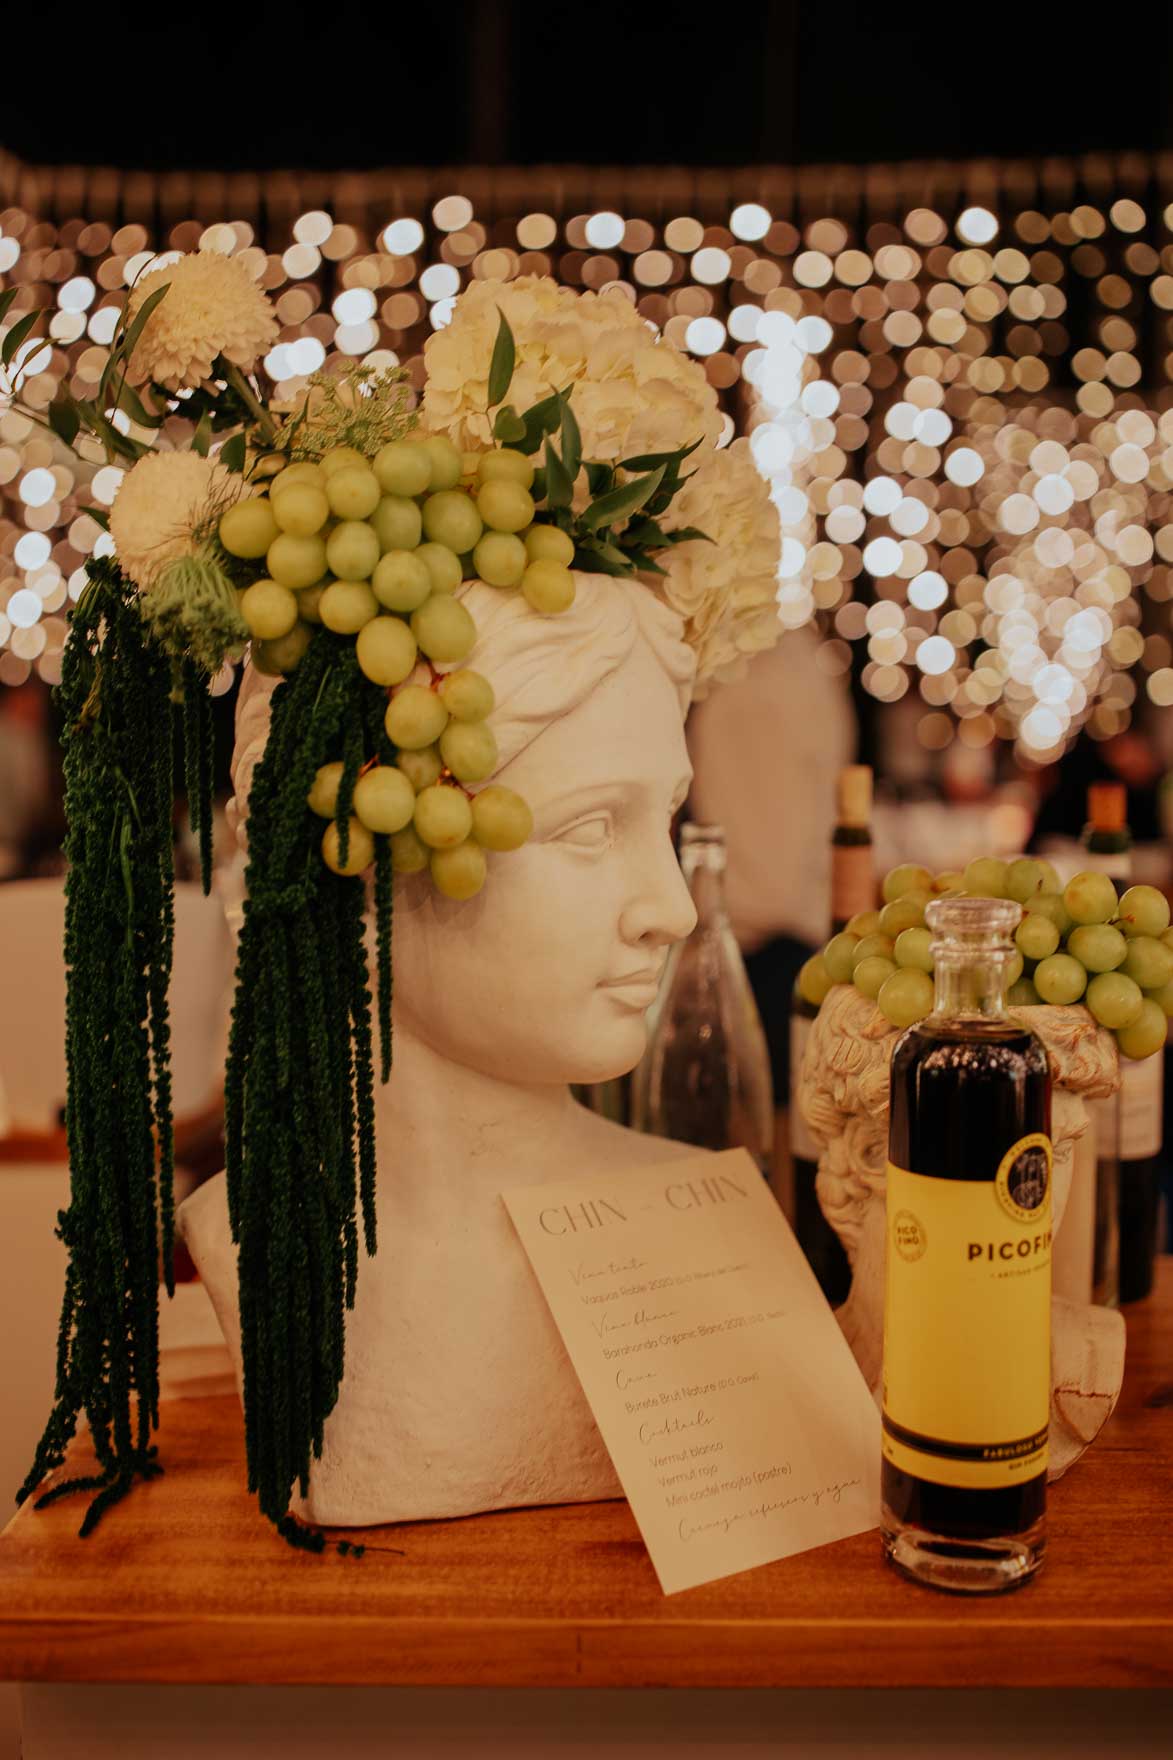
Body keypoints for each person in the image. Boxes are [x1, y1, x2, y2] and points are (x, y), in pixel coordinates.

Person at [686, 623, 857, 1103]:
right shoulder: (802, 666)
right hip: (777, 930)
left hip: (762, 941)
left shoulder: (756, 676)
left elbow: (777, 850)